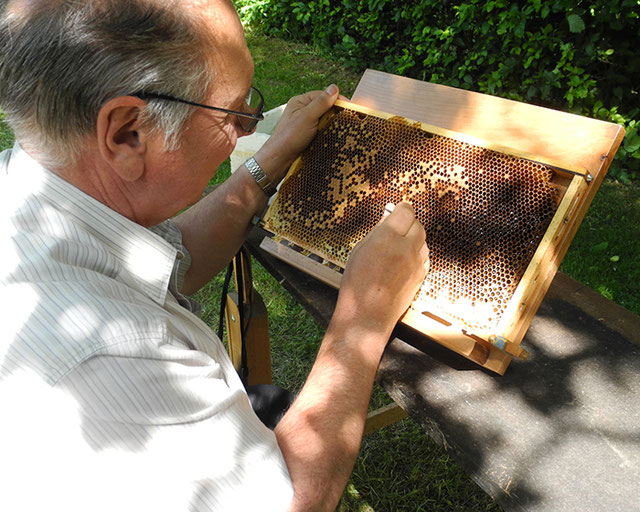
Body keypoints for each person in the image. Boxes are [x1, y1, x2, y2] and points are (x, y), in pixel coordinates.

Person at [0, 0, 429, 510]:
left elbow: (169, 258)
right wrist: (364, 314)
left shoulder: (32, 190)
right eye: (235, 112)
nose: (250, 127)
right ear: (127, 133)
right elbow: (293, 503)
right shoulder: (107, 359)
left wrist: (270, 162)